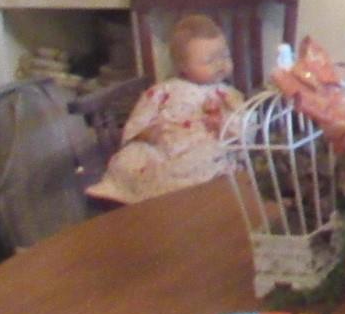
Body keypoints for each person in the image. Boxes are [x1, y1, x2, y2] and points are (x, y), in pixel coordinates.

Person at [87, 14, 244, 204]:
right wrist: (144, 133)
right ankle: (131, 196)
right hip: (162, 146)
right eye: (209, 61)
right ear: (183, 66)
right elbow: (141, 116)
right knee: (132, 158)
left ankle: (179, 198)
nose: (220, 64)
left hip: (201, 144)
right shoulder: (162, 90)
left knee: (207, 159)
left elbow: (243, 128)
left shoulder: (228, 96)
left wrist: (223, 125)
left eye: (225, 56)